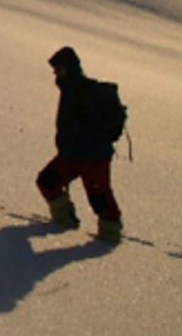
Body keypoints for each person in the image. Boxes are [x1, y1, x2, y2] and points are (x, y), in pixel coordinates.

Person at [36, 47, 124, 243]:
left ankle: (110, 234)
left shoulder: (83, 91)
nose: (56, 73)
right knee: (47, 181)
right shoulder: (68, 89)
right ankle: (64, 220)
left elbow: (89, 125)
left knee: (99, 196)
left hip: (94, 156)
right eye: (55, 70)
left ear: (70, 68)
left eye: (59, 69)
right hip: (71, 154)